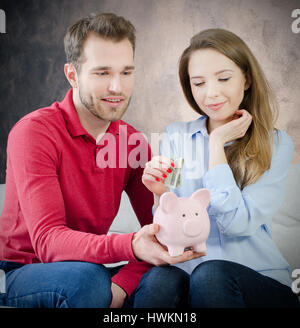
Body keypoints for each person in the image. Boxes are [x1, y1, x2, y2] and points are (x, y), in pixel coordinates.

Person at [0, 12, 201, 308]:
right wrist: (131, 245)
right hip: (27, 270)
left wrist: (120, 287)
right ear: (72, 75)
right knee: (87, 279)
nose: (117, 88)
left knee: (170, 279)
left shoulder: (132, 142)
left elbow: (161, 231)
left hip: (94, 268)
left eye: (126, 72)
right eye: (102, 73)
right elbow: (48, 241)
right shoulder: (34, 132)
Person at [133, 28, 300, 308]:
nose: (210, 93)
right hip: (186, 269)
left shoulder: (277, 144)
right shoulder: (176, 137)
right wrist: (160, 195)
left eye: (223, 78)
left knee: (210, 275)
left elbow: (236, 224)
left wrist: (216, 143)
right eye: (198, 83)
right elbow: (168, 223)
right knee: (157, 283)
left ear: (246, 79)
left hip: (257, 277)